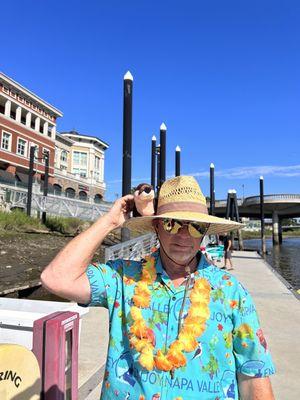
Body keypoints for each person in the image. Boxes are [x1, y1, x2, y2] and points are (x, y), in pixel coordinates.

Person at [41, 176, 275, 400]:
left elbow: (253, 375)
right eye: (172, 223)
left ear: (205, 231)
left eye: (195, 226)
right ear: (156, 226)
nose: (184, 235)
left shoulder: (231, 291)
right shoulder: (122, 278)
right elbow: (56, 278)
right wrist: (110, 221)